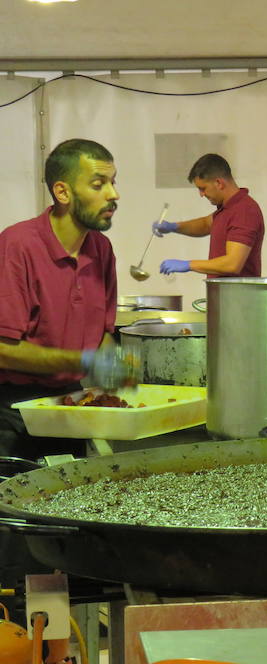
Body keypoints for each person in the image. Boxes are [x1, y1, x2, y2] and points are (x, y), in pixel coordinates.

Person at [0, 138, 135, 459]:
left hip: (70, 404)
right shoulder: (17, 246)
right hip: (13, 411)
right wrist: (84, 361)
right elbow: (4, 351)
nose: (113, 195)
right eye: (98, 184)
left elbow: (102, 332)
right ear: (63, 193)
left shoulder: (100, 250)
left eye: (113, 183)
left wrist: (113, 364)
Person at [153, 153, 264, 277]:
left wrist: (188, 265)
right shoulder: (227, 209)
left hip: (239, 295)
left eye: (203, 188)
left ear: (219, 183)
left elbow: (233, 264)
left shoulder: (244, 211)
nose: (201, 194)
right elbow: (206, 224)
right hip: (222, 295)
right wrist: (173, 227)